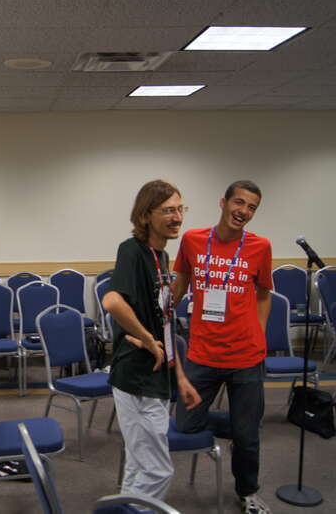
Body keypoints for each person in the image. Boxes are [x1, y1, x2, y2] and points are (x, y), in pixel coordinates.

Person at [173, 180, 273, 514]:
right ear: (223, 202)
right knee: (186, 424)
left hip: (246, 354)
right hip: (202, 352)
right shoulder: (192, 240)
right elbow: (180, 284)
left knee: (248, 438)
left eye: (252, 207)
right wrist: (157, 314)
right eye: (239, 203)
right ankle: (242, 427)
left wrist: (259, 335)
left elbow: (262, 293)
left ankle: (247, 492)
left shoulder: (260, 246)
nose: (244, 211)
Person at [102, 179, 201, 501]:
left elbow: (166, 323)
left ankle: (127, 509)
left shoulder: (161, 257)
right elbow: (113, 302)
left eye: (180, 209)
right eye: (168, 211)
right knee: (158, 470)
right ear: (146, 215)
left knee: (138, 463)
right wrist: (145, 338)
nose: (177, 217)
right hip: (137, 376)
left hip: (156, 375)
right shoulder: (132, 251)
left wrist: (180, 378)